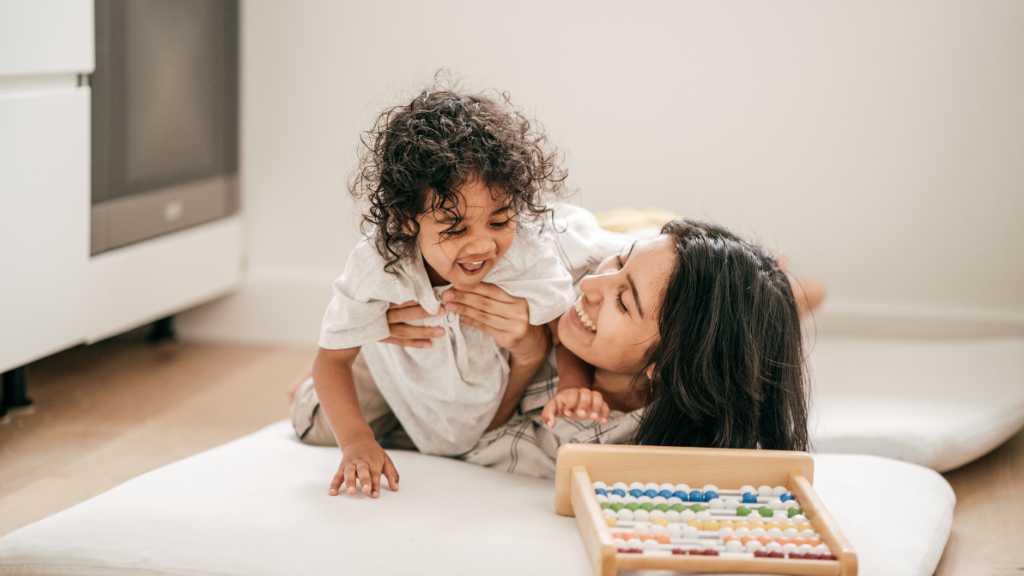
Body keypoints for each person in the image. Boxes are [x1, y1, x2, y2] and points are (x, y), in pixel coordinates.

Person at [295, 85, 578, 499]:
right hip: (389, 362)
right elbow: (331, 363)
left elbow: (564, 325)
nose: (482, 245)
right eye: (455, 229)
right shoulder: (378, 265)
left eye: (499, 222)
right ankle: (324, 360)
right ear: (406, 221)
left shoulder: (527, 250)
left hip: (466, 381)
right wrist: (356, 442)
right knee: (315, 424)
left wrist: (573, 383)